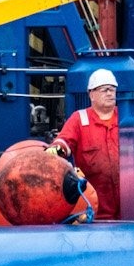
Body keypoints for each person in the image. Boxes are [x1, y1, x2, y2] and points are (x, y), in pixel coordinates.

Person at [49, 68, 121, 220]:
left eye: (112, 89)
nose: (109, 93)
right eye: (104, 89)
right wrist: (53, 152)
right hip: (94, 211)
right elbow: (63, 143)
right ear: (91, 94)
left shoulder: (126, 118)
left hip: (129, 210)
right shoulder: (79, 119)